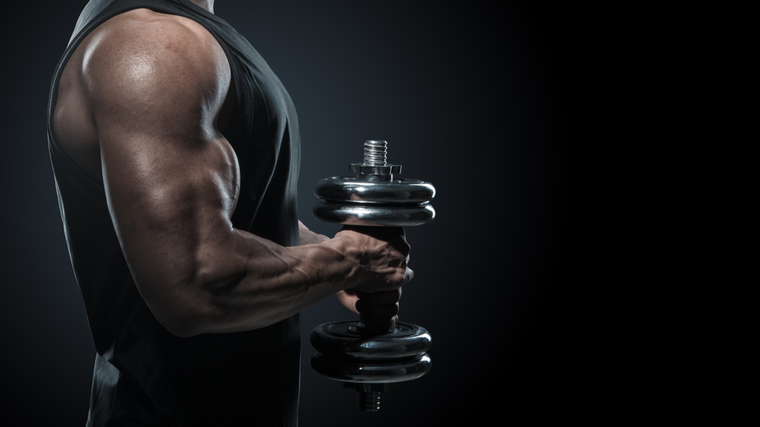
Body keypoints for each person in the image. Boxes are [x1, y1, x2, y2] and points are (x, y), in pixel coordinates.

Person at [48, 0, 413, 425]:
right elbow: (199, 281)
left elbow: (221, 215)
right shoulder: (152, 47)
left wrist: (330, 249)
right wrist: (351, 261)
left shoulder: (178, 34)